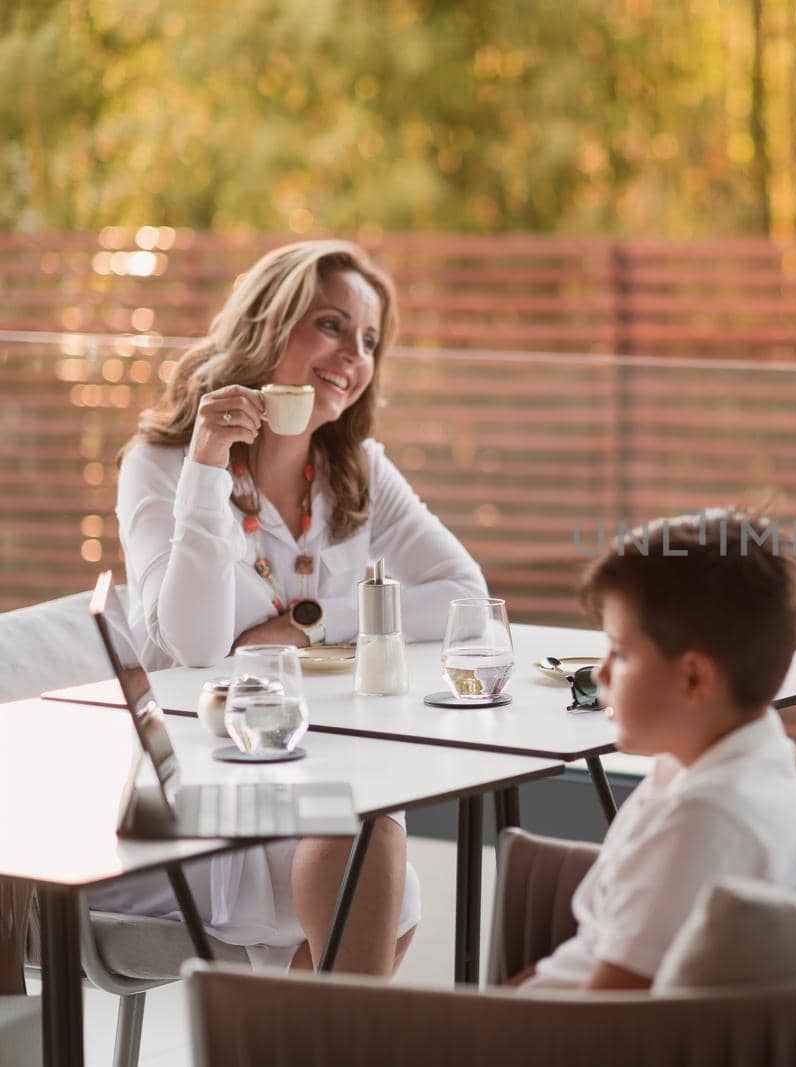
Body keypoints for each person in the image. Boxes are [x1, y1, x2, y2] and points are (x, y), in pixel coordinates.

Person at [92, 239, 489, 974]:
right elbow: (197, 645)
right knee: (369, 838)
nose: (354, 355)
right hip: (197, 788)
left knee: (369, 834)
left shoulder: (357, 470)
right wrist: (209, 465)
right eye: (333, 325)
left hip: (314, 763)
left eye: (369, 340)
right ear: (270, 324)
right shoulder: (163, 463)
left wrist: (314, 626)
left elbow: (466, 597)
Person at [514, 508, 796, 990]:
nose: (599, 675)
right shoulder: (733, 760)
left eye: (619, 651)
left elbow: (607, 1019)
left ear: (693, 677)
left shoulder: (704, 822)